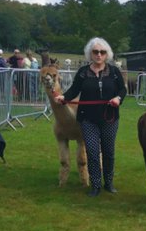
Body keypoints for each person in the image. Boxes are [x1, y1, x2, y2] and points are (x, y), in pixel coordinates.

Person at [54, 37, 127, 196]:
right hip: (88, 119)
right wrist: (64, 98)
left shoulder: (114, 72)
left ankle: (108, 182)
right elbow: (74, 90)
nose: (99, 55)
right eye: (95, 52)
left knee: (108, 152)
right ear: (90, 54)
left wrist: (118, 99)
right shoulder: (83, 72)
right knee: (92, 152)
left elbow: (122, 90)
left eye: (102, 52)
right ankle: (95, 185)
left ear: (107, 54)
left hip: (110, 118)